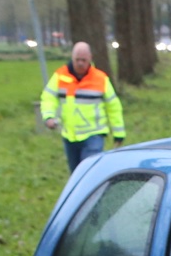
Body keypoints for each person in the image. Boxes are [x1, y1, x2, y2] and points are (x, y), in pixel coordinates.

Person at [40, 41, 125, 171]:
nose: (80, 63)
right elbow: (48, 98)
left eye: (84, 60)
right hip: (70, 135)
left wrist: (119, 133)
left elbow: (113, 106)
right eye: (77, 59)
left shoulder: (100, 79)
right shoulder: (60, 76)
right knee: (75, 174)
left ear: (90, 59)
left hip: (94, 134)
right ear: (72, 58)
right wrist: (48, 116)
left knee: (88, 172)